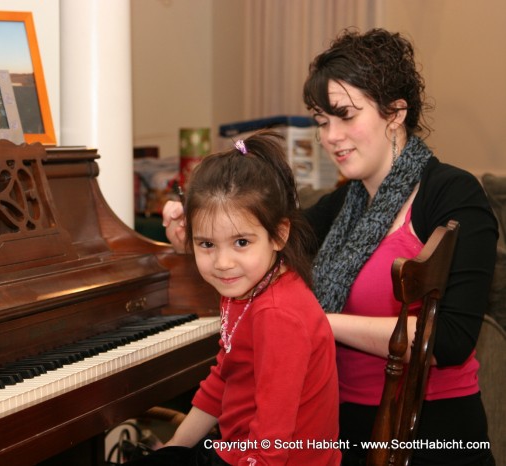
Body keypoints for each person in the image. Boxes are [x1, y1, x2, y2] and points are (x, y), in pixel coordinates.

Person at [163, 28, 497, 466]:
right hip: (339, 424)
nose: (330, 137)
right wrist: (196, 232)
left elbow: (450, 340)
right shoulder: (342, 205)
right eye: (322, 122)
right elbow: (257, 248)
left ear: (395, 112)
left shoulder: (452, 194)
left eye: (345, 116)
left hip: (427, 432)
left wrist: (319, 323)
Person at [131, 131, 340, 466]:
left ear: (278, 235)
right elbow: (222, 382)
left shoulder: (278, 316)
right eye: (207, 244)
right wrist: (174, 446)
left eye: (241, 242)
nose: (223, 263)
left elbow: (270, 449)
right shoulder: (247, 285)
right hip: (240, 447)